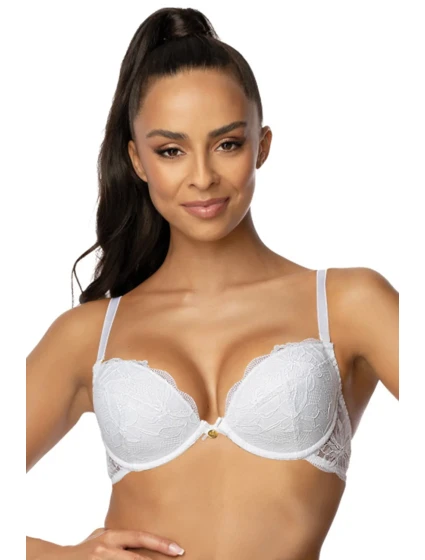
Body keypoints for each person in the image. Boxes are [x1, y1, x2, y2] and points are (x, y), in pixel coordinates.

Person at [26, 7, 399, 560]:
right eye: (170, 151)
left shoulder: (349, 304)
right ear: (137, 160)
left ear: (262, 145)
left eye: (227, 144)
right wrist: (61, 557)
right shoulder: (88, 335)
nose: (202, 177)